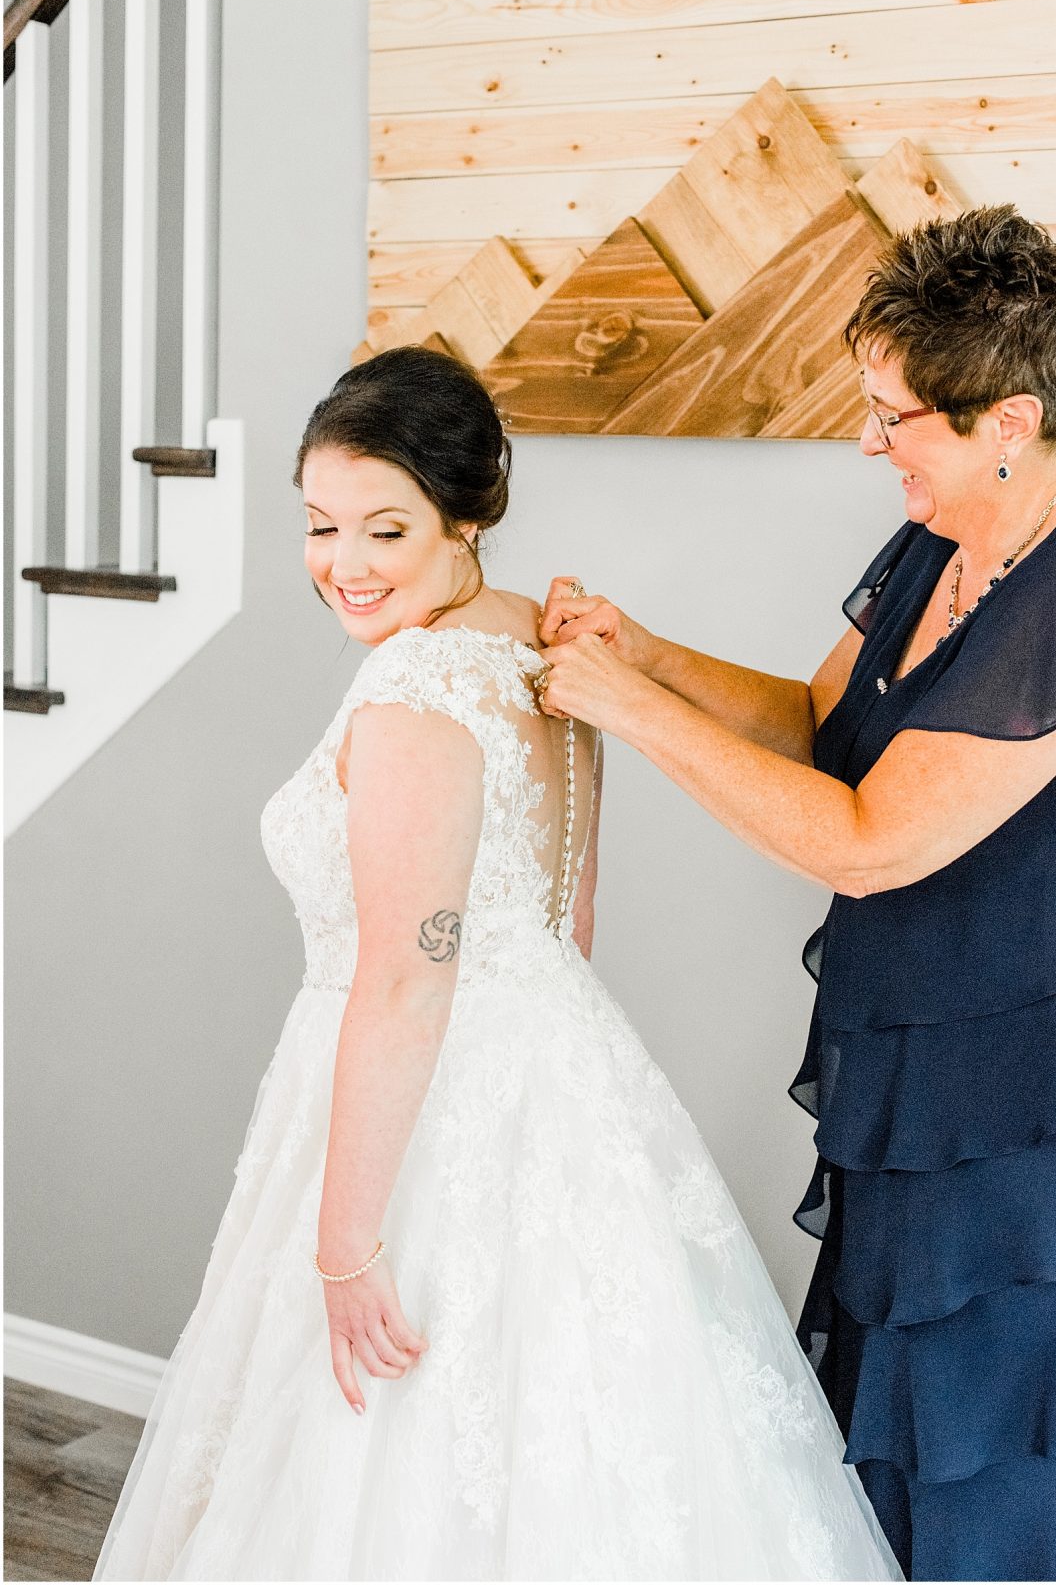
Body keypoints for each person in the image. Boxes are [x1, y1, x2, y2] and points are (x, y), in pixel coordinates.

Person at [93, 347, 899, 1582]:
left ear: (466, 514)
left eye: (384, 528)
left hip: (411, 1102)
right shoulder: (550, 647)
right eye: (319, 525)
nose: (343, 564)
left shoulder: (416, 688)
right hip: (564, 1076)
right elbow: (568, 925)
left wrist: (349, 1239)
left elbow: (410, 977)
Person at [536, 205, 1056, 1583]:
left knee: (986, 1447)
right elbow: (817, 727)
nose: (866, 442)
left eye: (894, 416)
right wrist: (644, 657)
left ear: (1004, 418)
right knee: (882, 1425)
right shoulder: (934, 547)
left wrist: (630, 718)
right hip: (900, 1066)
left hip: (1015, 1105)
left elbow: (864, 840)